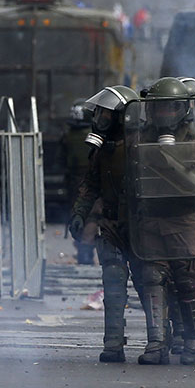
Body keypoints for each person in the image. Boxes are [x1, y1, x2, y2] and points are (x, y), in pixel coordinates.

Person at [126, 77, 195, 366]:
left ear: (182, 108)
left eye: (169, 108)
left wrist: (169, 159)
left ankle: (193, 341)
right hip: (151, 216)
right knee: (152, 278)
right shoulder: (139, 135)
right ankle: (156, 343)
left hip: (183, 216)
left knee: (188, 281)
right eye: (159, 109)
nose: (163, 115)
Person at [69, 85, 142, 362]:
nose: (100, 118)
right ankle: (113, 343)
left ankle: (160, 341)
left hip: (141, 225)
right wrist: (79, 213)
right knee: (113, 283)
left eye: (106, 114)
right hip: (112, 224)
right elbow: (90, 184)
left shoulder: (143, 145)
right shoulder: (102, 149)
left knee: (150, 284)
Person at [62, 99, 98, 265]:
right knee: (91, 216)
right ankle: (85, 250)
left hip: (74, 181)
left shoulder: (67, 136)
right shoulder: (95, 136)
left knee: (78, 214)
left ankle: (82, 249)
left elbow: (60, 160)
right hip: (92, 178)